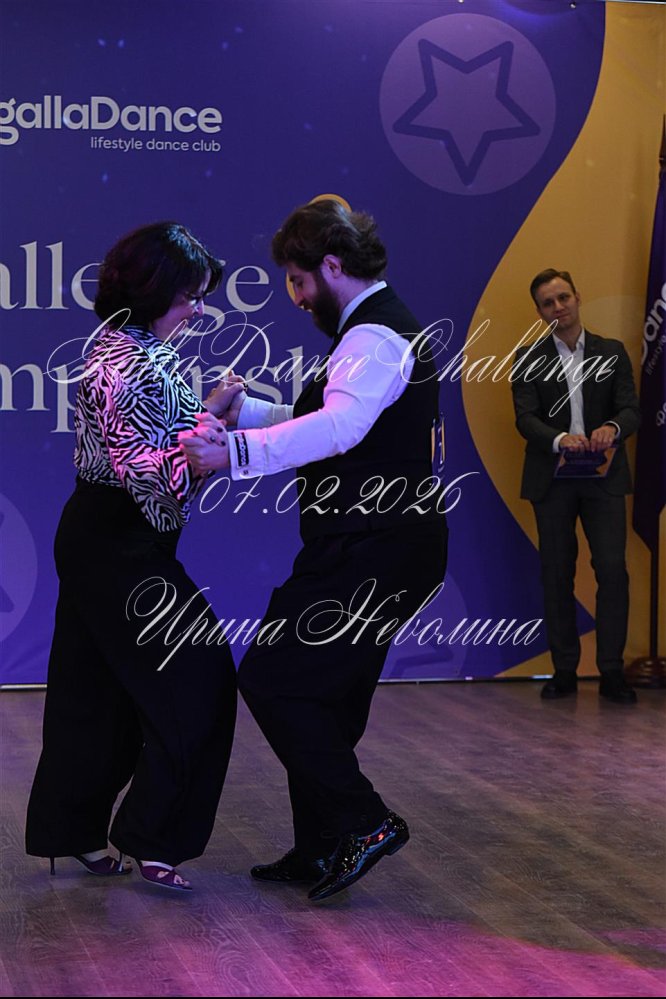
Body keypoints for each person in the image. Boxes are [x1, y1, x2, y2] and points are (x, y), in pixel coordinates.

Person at [179, 198, 448, 901]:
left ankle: (364, 822)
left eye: (299, 281)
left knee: (275, 679)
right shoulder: (370, 330)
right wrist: (246, 413)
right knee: (325, 697)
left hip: (377, 546)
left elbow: (338, 431)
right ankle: (323, 844)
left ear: (332, 264)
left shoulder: (375, 335)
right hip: (373, 544)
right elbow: (328, 419)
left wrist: (232, 451)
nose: (297, 298)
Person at [25, 222, 240, 891]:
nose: (198, 309)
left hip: (102, 534)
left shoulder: (130, 344)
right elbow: (153, 481)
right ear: (154, 289)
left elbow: (157, 449)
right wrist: (215, 433)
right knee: (200, 678)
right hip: (119, 541)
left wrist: (206, 417)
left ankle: (75, 832)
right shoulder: (130, 362)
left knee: (96, 690)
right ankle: (155, 838)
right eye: (190, 296)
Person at [511, 268, 641, 704]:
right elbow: (525, 418)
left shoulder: (612, 351)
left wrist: (612, 428)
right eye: (548, 303)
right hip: (552, 478)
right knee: (556, 573)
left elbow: (630, 409)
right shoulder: (527, 357)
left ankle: (612, 672)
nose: (558, 307)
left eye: (563, 297)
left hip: (604, 476)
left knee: (612, 570)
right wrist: (558, 439)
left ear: (577, 297)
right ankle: (564, 670)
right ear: (539, 312)